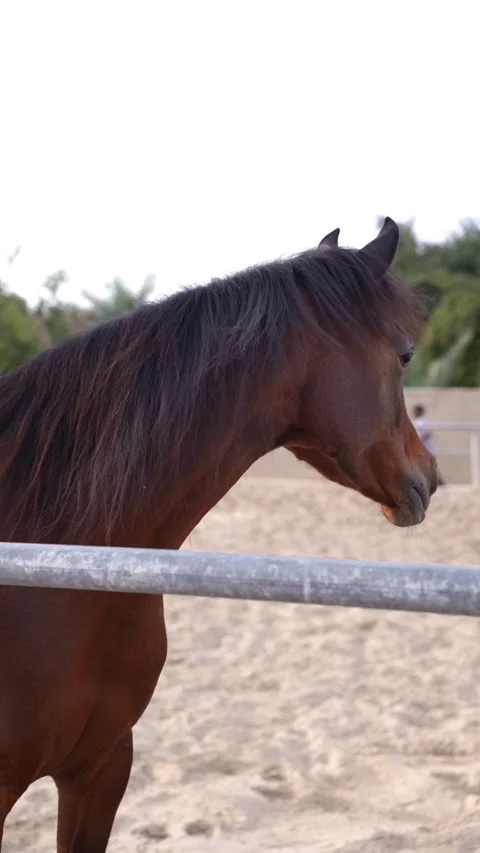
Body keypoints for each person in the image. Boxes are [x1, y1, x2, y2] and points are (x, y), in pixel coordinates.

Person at [412, 404, 445, 486]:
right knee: (425, 467)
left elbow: (427, 434)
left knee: (428, 467)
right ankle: (437, 483)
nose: (413, 413)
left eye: (415, 411)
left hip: (426, 449)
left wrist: (419, 443)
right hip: (422, 449)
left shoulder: (422, 422)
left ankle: (439, 483)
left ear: (418, 412)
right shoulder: (418, 421)